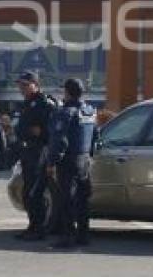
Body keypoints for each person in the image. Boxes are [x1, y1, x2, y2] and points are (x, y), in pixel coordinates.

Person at [47, 79, 98, 248]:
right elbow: (95, 136)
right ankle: (83, 235)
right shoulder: (89, 111)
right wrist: (89, 155)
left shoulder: (65, 112)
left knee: (66, 199)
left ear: (67, 92)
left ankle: (67, 236)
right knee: (83, 199)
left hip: (68, 160)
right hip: (84, 160)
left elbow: (59, 140)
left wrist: (52, 161)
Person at [14, 70, 57, 241]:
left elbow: (53, 130)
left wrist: (41, 131)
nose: (22, 88)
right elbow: (23, 128)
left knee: (36, 192)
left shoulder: (45, 103)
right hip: (28, 150)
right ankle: (32, 226)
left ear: (36, 85)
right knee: (27, 192)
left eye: (25, 85)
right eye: (20, 85)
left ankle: (40, 228)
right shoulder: (27, 102)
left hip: (40, 151)